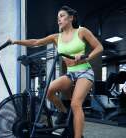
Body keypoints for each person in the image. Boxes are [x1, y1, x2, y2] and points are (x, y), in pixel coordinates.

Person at [10, 5, 103, 138]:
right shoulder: (56, 37)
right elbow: (35, 42)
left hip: (84, 72)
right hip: (70, 73)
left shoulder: (81, 31)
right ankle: (64, 113)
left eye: (62, 16)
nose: (59, 19)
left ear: (71, 18)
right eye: (58, 17)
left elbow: (99, 47)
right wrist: (15, 41)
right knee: (49, 91)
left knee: (76, 104)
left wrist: (86, 57)